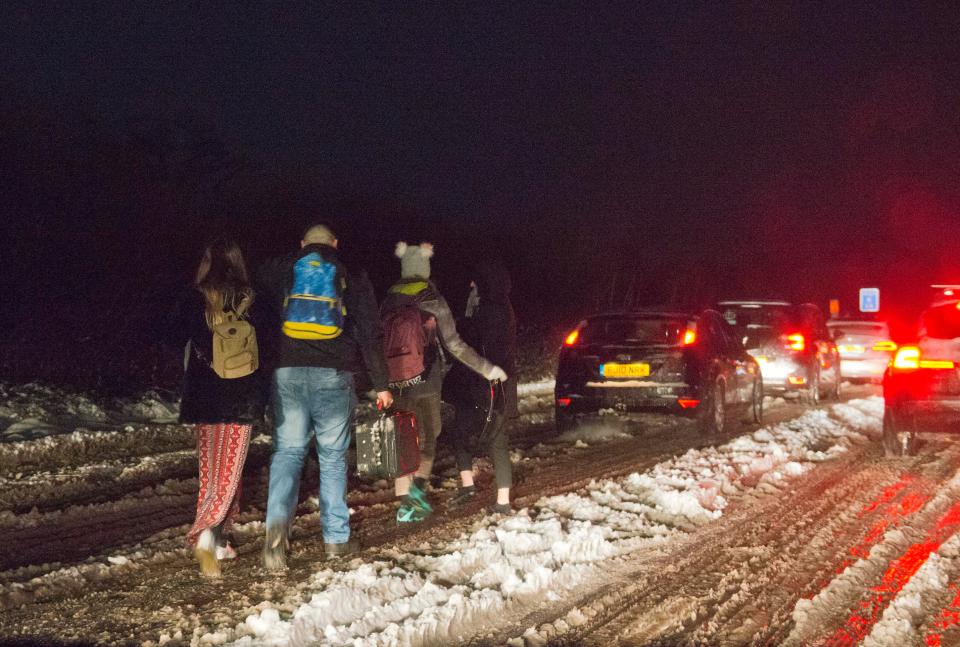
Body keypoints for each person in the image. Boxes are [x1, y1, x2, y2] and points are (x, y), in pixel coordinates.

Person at [257, 223, 391, 570]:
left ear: (302, 244)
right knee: (332, 459)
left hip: (288, 373)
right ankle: (335, 541)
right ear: (336, 243)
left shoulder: (284, 270)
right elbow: (370, 332)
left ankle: (275, 535)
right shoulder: (351, 274)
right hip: (334, 374)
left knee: (287, 453)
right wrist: (381, 383)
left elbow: (256, 284)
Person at [381, 242, 506, 522]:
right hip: (425, 379)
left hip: (394, 381)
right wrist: (487, 369)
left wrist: (376, 384)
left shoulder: (388, 300)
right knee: (428, 438)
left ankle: (405, 504)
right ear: (425, 269)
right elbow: (455, 345)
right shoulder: (432, 299)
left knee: (404, 440)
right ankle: (413, 500)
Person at [170, 237, 268, 577]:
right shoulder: (254, 300)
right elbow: (266, 348)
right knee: (231, 470)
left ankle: (217, 537)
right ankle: (210, 534)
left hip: (205, 395)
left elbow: (171, 337)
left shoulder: (195, 299)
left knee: (212, 471)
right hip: (243, 396)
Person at [445, 259, 519, 514]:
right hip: (490, 383)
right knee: (482, 436)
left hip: (486, 383)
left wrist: (461, 326)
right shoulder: (499, 307)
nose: (471, 284)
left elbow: (473, 343)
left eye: (476, 280)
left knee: (479, 436)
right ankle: (490, 495)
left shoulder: (488, 310)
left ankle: (484, 493)